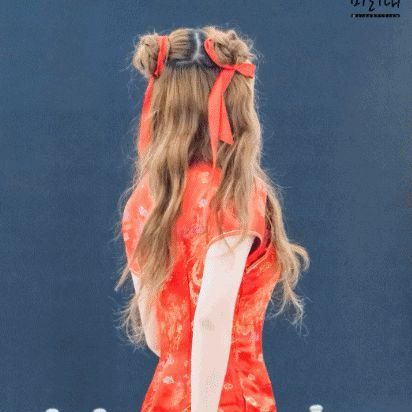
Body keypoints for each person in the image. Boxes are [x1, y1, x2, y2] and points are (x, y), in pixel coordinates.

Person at [116, 25, 309, 412]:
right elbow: (210, 319)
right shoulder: (233, 195)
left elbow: (158, 338)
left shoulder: (144, 202)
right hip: (229, 398)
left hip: (166, 399)